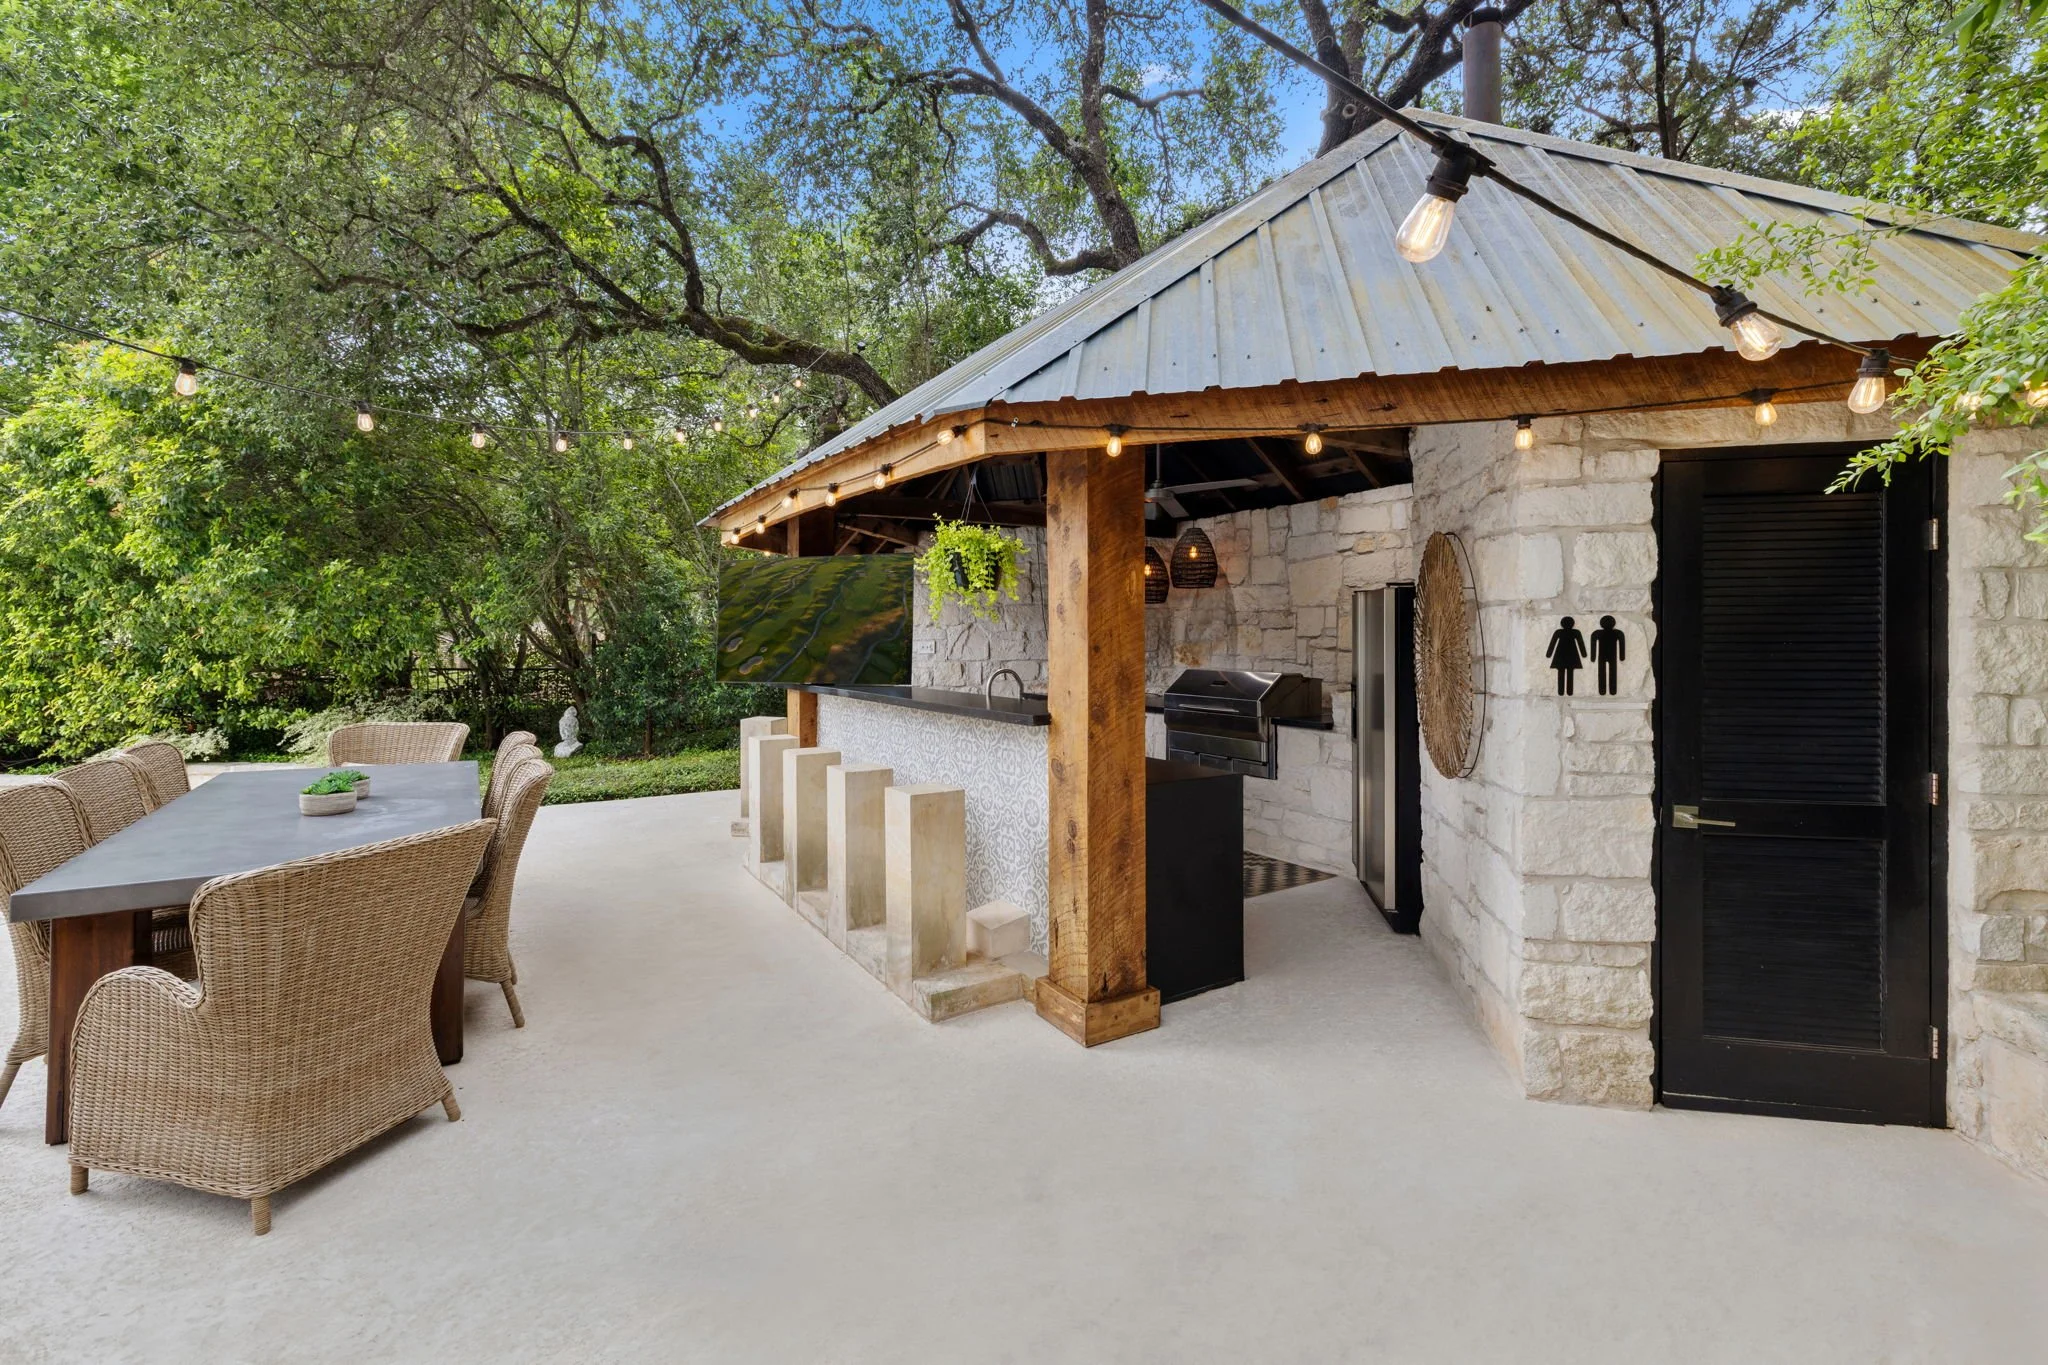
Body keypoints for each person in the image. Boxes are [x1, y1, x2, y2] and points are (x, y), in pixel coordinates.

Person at [1546, 616, 1586, 696]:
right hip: (1571, 654)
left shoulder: (1559, 632)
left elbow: (1552, 643)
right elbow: (1580, 644)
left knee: (1562, 671)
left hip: (1561, 654)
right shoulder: (1575, 632)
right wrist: (1583, 654)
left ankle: (1562, 691)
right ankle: (1568, 691)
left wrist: (1549, 654)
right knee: (1569, 672)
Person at [1591, 615, 1626, 696]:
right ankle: (1612, 691)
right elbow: (1622, 645)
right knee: (1612, 672)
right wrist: (1622, 657)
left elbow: (1593, 645)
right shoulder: (1618, 633)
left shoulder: (1597, 633)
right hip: (1612, 655)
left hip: (1603, 655)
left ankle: (1603, 691)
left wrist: (1593, 657)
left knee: (1602, 672)